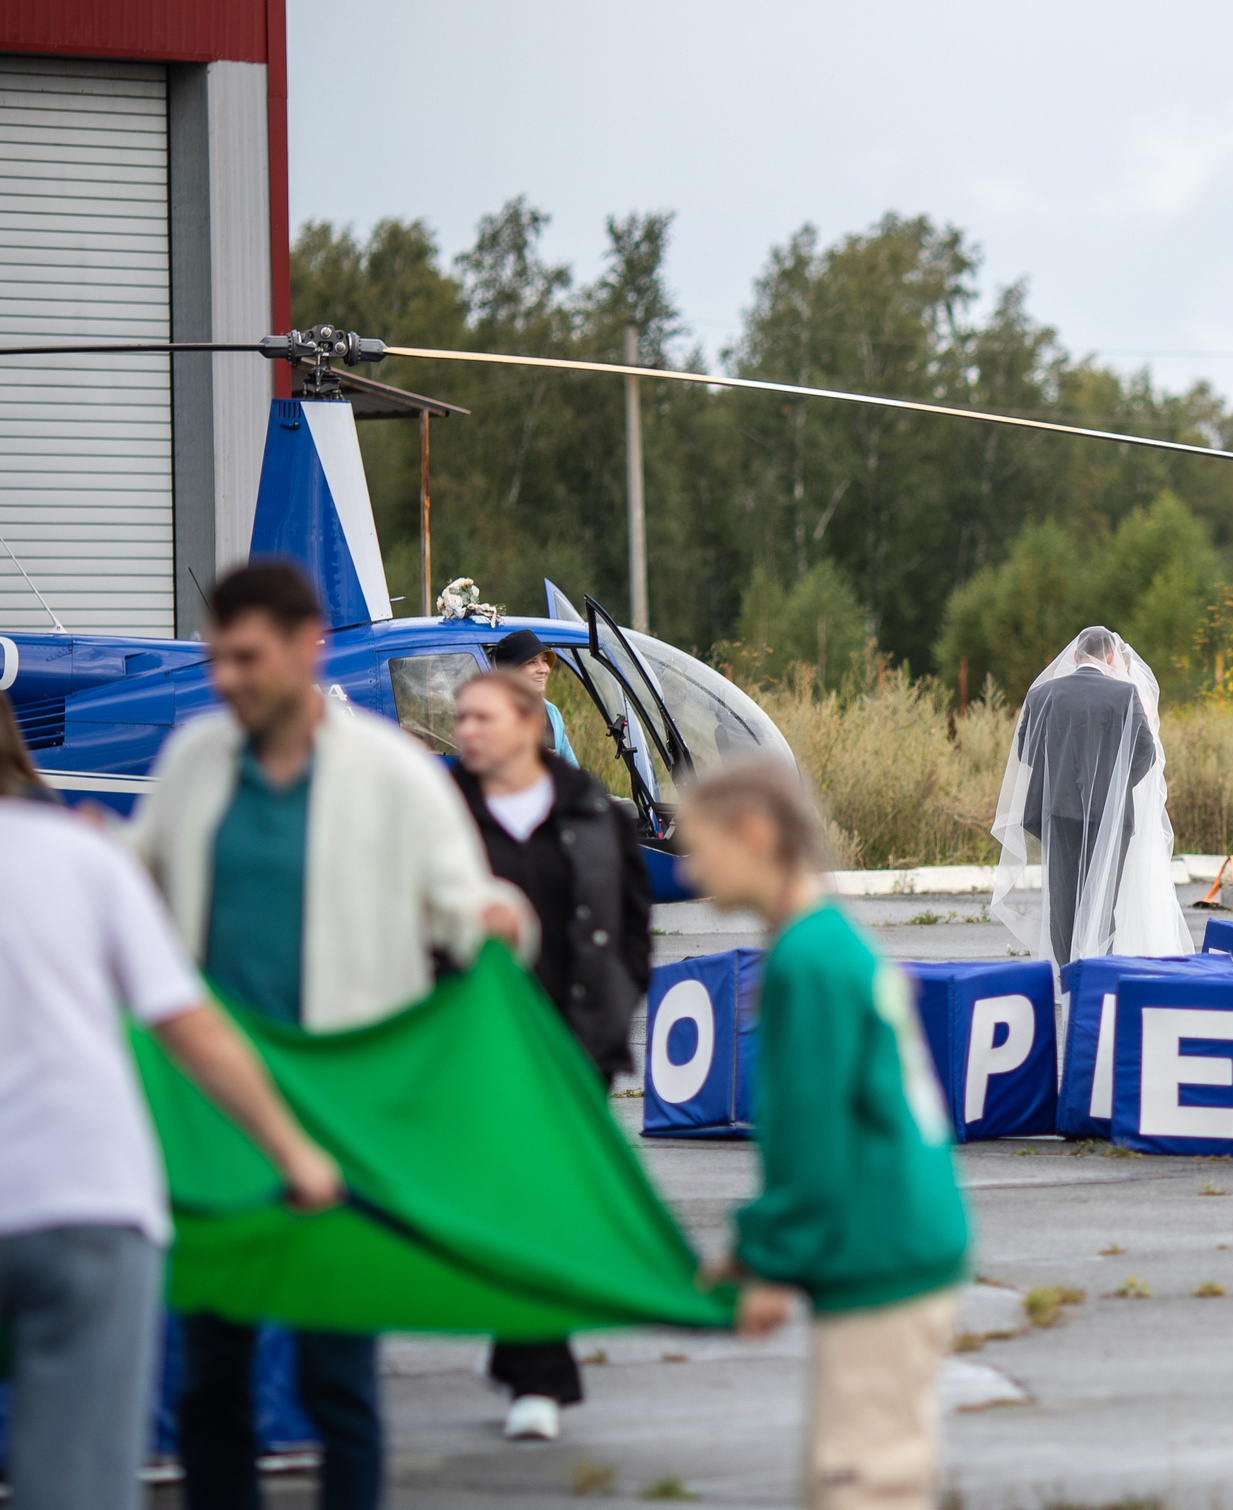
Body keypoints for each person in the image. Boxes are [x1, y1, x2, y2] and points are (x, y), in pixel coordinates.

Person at [124, 559, 529, 1510]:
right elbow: (133, 885)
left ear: (308, 649)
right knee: (209, 1383)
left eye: (246, 658)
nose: (224, 678)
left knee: (337, 1379)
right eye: (217, 657)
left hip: (338, 1122)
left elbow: (463, 904)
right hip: (212, 1115)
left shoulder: (391, 774)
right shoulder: (193, 761)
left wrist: (501, 919)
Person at [0, 691, 342, 1510]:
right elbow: (189, 1025)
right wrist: (294, 1151)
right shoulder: (80, 859)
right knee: (76, 1478)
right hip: (82, 1196)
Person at [681, 759, 972, 1510]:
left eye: (698, 844)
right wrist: (755, 1250)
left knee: (864, 1483)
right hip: (899, 1238)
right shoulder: (830, 938)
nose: (688, 864)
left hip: (881, 1254)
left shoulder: (806, 960)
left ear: (753, 833)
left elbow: (810, 1139)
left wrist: (771, 1262)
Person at [448, 669, 652, 1442]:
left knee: (543, 1200)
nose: (466, 730)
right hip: (480, 1046)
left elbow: (631, 924)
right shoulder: (444, 815)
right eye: (461, 717)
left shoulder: (593, 808)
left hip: (574, 1048)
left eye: (484, 717)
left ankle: (538, 1374)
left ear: (532, 725)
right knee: (499, 1206)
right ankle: (518, 1343)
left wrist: (616, 1010)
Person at [990, 626, 1189, 963]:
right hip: (1109, 817)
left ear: (1075, 655)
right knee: (1103, 899)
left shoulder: (1041, 695)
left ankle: (1067, 973)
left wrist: (1060, 779)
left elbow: (1025, 749)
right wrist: (1113, 789)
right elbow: (1146, 752)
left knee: (1062, 900)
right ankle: (1095, 976)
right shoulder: (1125, 694)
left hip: (1058, 813)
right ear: (1111, 657)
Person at [489, 628, 578, 767]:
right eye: (532, 662)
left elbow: (572, 771)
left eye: (544, 661)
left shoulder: (551, 712)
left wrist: (555, 768)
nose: (543, 669)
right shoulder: (489, 717)